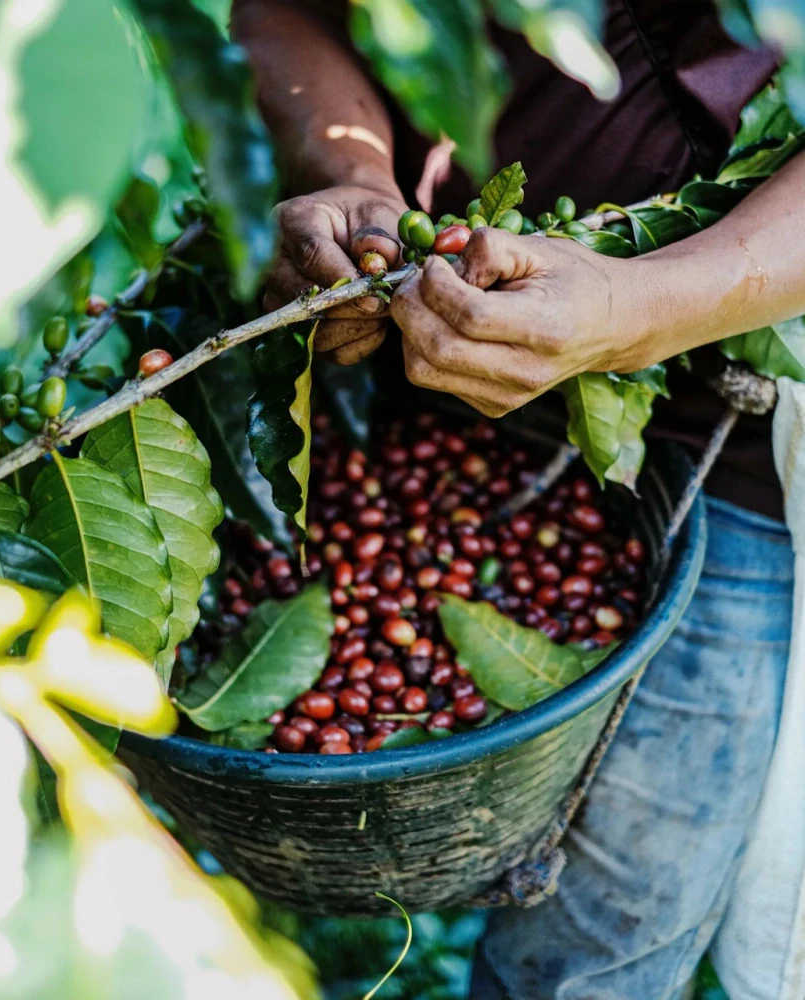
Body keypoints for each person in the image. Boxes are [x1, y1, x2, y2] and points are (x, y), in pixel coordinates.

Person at [231, 2, 802, 998]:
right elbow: (284, 8)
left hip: (733, 444)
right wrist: (351, 175)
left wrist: (633, 311)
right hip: (412, 370)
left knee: (612, 936)